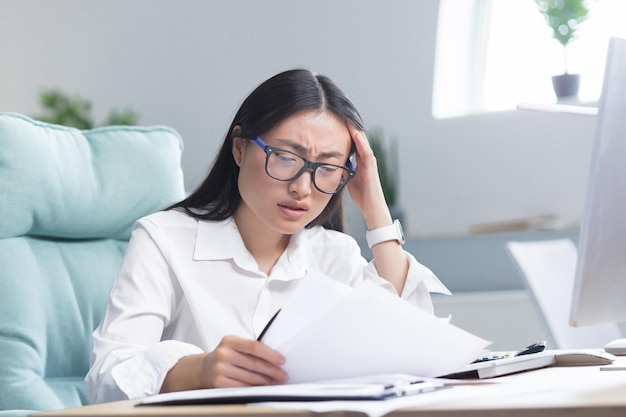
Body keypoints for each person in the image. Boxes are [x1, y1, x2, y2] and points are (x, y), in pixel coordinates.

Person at [86, 68, 449, 403]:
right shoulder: (164, 239)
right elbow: (107, 375)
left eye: (327, 168)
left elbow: (409, 352)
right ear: (239, 147)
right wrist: (197, 370)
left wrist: (377, 212)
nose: (303, 188)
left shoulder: (333, 254)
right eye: (286, 157)